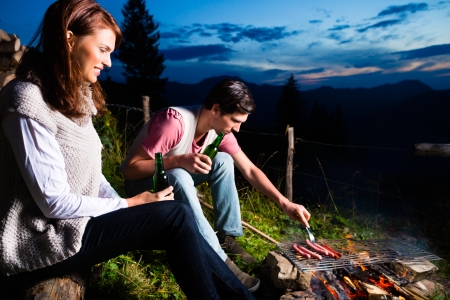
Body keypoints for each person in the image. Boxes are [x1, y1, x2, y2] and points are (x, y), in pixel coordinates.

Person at [0, 0, 257, 298]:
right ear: (68, 39)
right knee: (175, 216)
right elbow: (53, 204)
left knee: (175, 214)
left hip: (75, 225)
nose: (108, 62)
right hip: (38, 240)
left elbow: (94, 178)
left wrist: (130, 203)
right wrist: (130, 205)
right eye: (103, 50)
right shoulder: (25, 100)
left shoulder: (74, 101)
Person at [121, 80, 312, 278]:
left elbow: (249, 169)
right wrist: (178, 160)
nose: (238, 128)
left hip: (175, 184)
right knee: (178, 174)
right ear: (216, 109)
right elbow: (130, 170)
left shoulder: (219, 131)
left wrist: (284, 202)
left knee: (223, 159)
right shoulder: (173, 123)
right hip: (143, 190)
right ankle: (218, 259)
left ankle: (226, 237)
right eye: (235, 121)